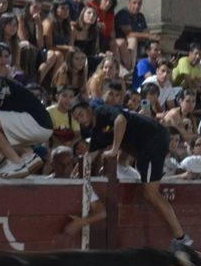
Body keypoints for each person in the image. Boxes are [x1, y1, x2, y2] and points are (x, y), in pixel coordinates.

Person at [71, 99, 193, 250]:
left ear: (89, 110)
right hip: (146, 146)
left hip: (151, 141)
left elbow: (120, 120)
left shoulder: (101, 111)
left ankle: (181, 237)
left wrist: (115, 149)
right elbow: (91, 155)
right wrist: (75, 173)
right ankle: (180, 237)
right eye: (77, 119)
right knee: (150, 194)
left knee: (151, 193)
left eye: (80, 115)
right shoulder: (97, 133)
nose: (80, 120)